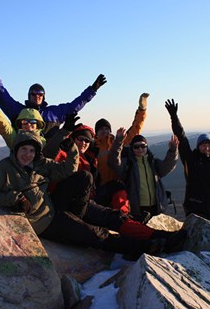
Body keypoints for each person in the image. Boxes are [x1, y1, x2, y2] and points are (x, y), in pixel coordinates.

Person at [0, 131, 181, 257]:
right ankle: (146, 247)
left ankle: (163, 236)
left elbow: (67, 171)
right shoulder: (1, 170)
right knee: (96, 234)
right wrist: (16, 199)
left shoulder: (38, 164)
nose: (27, 154)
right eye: (23, 149)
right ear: (15, 150)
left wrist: (73, 150)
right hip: (46, 220)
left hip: (62, 205)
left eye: (31, 151)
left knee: (112, 214)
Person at [47, 123, 185, 244]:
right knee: (106, 226)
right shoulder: (63, 154)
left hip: (87, 199)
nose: (84, 143)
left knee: (116, 196)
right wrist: (63, 133)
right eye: (80, 139)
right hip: (68, 203)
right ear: (72, 139)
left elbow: (166, 165)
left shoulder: (89, 157)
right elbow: (50, 153)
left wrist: (173, 150)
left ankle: (156, 234)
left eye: (87, 141)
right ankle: (150, 240)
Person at [0, 48, 106, 136]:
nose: (37, 96)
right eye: (34, 93)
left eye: (40, 94)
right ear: (29, 96)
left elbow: (75, 106)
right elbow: (0, 92)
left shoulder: (54, 112)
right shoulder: (17, 110)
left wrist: (92, 90)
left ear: (44, 96)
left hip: (49, 159)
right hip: (22, 158)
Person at [165, 99, 210, 222]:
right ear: (198, 146)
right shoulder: (191, 160)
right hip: (195, 210)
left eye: (209, 145)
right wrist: (174, 117)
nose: (206, 147)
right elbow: (181, 138)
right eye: (203, 144)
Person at [89, 93, 148, 213]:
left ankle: (125, 220)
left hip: (119, 186)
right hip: (101, 189)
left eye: (107, 128)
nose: (104, 131)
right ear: (96, 132)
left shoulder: (119, 140)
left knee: (121, 209)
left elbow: (135, 129)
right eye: (101, 129)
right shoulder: (92, 147)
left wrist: (142, 109)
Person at [108, 130, 179, 220]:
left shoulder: (153, 162)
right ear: (132, 148)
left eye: (143, 146)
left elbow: (168, 166)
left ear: (146, 147)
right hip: (136, 209)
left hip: (156, 207)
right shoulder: (128, 164)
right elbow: (113, 161)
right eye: (136, 147)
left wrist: (173, 151)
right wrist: (118, 141)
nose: (140, 149)